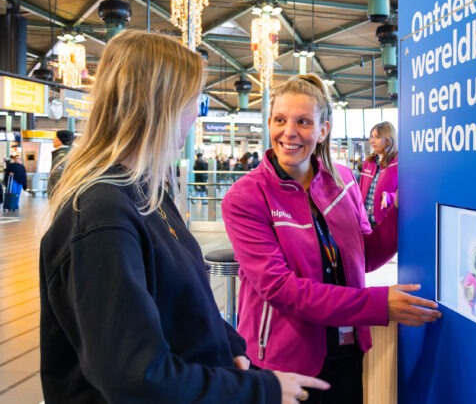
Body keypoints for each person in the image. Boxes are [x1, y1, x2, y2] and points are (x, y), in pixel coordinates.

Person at [39, 30, 328, 404]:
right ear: (162, 106)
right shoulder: (102, 214)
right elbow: (138, 377)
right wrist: (262, 389)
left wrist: (231, 347)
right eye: (195, 100)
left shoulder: (146, 194)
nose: (197, 113)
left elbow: (186, 302)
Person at [222, 74, 441, 404]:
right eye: (280, 120)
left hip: (347, 349)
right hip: (284, 361)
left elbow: (364, 256)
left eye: (304, 122)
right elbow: (281, 289)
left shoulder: (343, 180)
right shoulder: (246, 197)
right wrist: (380, 304)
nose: (289, 132)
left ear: (323, 130)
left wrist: (400, 211)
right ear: (269, 123)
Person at [359, 122, 398, 228]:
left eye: (377, 137)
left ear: (388, 140)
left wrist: (389, 197)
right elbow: (360, 190)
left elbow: (406, 195)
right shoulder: (368, 163)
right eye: (371, 137)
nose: (372, 140)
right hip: (364, 221)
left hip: (384, 221)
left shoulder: (398, 164)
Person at [47, 129, 75, 197]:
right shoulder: (68, 153)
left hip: (59, 196)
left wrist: (56, 196)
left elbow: (57, 177)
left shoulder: (62, 156)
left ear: (61, 140)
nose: (53, 139)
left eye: (55, 137)